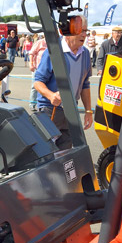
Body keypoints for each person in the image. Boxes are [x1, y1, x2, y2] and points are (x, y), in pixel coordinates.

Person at [34, 17, 93, 150]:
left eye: (86, 31)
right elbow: (38, 82)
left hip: (71, 110)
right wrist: (51, 96)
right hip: (50, 110)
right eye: (80, 31)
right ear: (67, 32)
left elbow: (85, 84)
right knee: (45, 152)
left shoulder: (85, 54)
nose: (84, 35)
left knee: (66, 152)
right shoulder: (54, 52)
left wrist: (88, 110)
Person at [28, 34, 47, 112]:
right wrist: (31, 64)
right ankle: (32, 104)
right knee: (35, 87)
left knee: (46, 87)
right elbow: (31, 53)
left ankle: (43, 105)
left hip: (47, 69)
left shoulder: (53, 43)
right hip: (38, 69)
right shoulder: (40, 42)